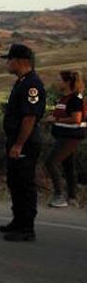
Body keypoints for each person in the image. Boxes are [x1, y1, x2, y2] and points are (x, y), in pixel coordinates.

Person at [0, 44, 46, 242]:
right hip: (16, 140)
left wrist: (18, 145)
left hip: (25, 142)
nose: (7, 63)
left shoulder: (31, 85)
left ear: (18, 61)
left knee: (25, 183)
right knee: (15, 181)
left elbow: (29, 118)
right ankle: (18, 220)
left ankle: (27, 228)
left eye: (9, 59)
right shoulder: (21, 82)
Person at [44, 71, 84, 208]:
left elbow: (76, 119)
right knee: (68, 166)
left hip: (70, 137)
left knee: (51, 162)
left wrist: (55, 119)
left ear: (67, 82)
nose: (56, 82)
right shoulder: (64, 98)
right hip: (63, 136)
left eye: (58, 80)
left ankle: (60, 196)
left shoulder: (75, 99)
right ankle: (72, 196)